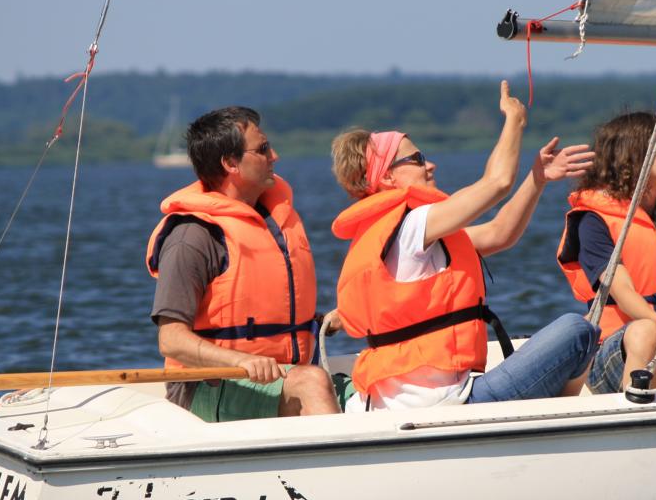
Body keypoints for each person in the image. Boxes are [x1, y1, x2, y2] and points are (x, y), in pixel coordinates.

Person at [329, 80, 598, 411]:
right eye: (417, 158)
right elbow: (496, 183)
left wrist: (536, 179)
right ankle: (555, 430)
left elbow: (500, 233)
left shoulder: (395, 235)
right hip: (446, 404)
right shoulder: (413, 225)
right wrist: (514, 121)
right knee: (579, 331)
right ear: (387, 178)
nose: (431, 165)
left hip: (401, 404)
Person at [146, 106, 346, 421]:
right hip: (208, 388)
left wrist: (323, 321)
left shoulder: (273, 222)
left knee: (369, 383)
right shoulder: (192, 237)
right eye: (263, 149)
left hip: (284, 377)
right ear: (230, 163)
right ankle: (340, 468)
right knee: (312, 382)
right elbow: (171, 340)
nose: (275, 156)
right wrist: (241, 360)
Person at [556, 111, 656, 393]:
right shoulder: (594, 220)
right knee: (644, 332)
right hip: (616, 347)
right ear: (631, 154)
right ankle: (642, 424)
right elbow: (622, 293)